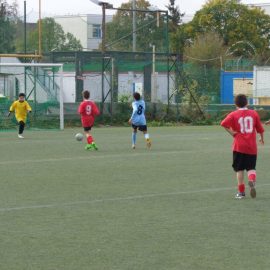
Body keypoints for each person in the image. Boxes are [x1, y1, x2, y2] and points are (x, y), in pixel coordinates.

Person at [221, 94, 264, 199]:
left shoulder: (233, 114)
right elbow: (260, 129)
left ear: (235, 104)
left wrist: (233, 133)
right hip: (251, 147)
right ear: (247, 103)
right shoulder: (253, 113)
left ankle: (241, 193)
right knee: (251, 168)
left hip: (239, 146)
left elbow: (223, 123)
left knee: (239, 169)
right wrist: (261, 138)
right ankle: (252, 181)